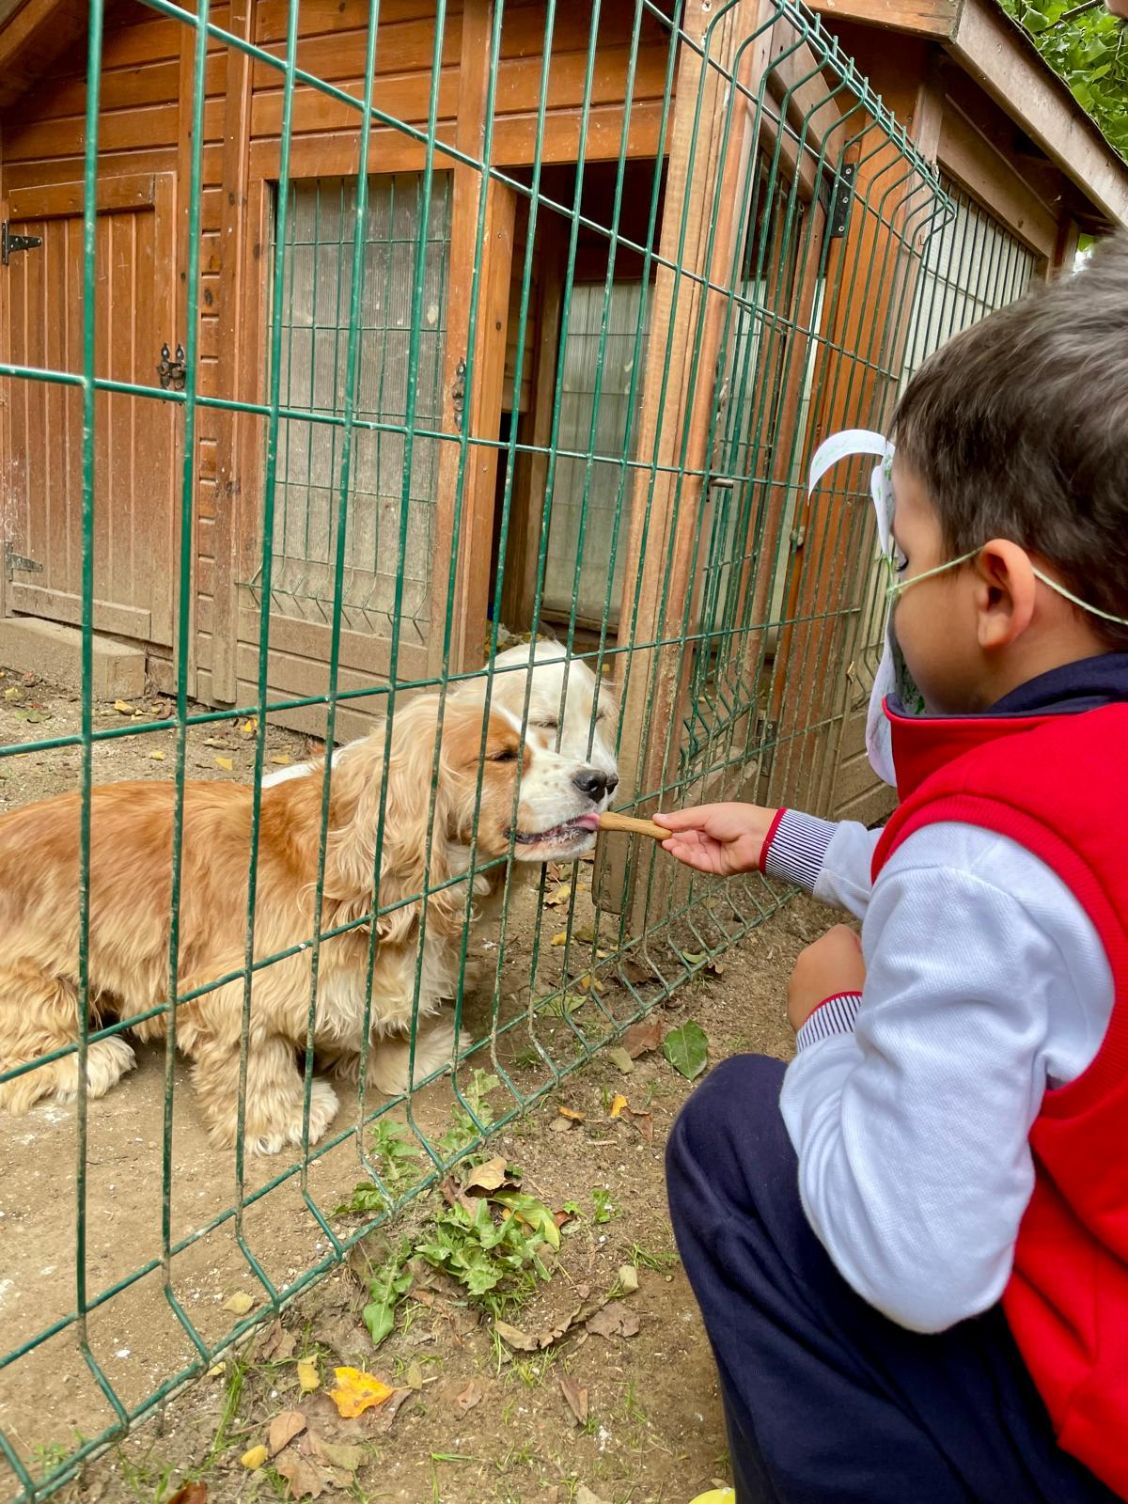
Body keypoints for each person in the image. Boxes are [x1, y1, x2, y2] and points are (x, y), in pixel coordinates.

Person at [656, 232, 1128, 1504]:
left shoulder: (985, 852)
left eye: (897, 545)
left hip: (1104, 1422)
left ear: (992, 593)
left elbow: (918, 1260)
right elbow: (1051, 923)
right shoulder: (1078, 784)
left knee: (735, 1130)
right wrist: (787, 841)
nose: (890, 583)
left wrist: (835, 1017)